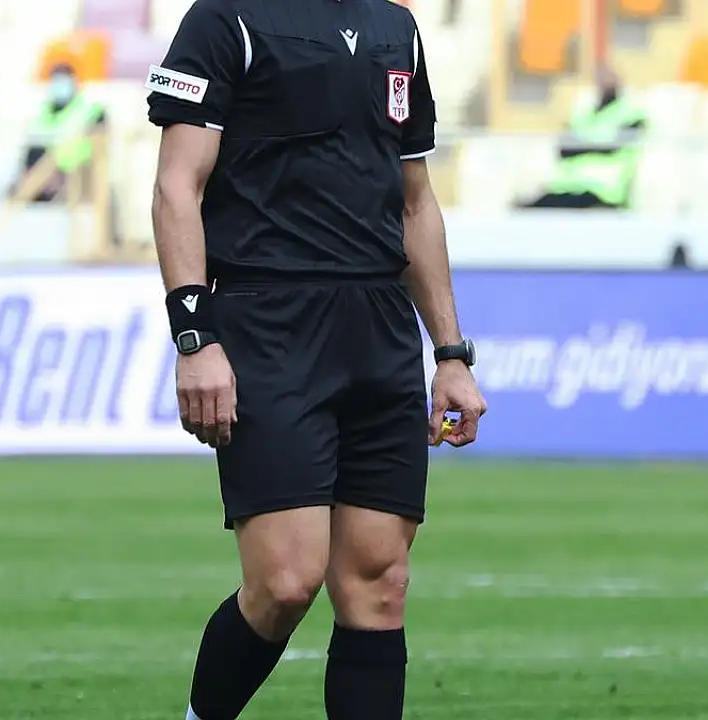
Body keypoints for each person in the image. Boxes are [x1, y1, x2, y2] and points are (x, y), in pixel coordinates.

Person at [146, 1, 487, 719]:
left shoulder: (397, 29)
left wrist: (451, 354)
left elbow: (415, 202)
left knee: (380, 585)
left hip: (380, 330)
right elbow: (178, 185)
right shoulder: (227, 19)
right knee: (285, 581)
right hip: (269, 322)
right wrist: (194, 337)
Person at [523, 66, 646, 209]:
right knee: (527, 210)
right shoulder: (584, 111)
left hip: (603, 190)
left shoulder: (631, 112)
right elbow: (564, 149)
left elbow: (613, 147)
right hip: (567, 187)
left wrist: (583, 146)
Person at [23, 64, 107, 202]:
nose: (60, 87)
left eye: (63, 81)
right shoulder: (45, 111)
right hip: (49, 175)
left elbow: (98, 140)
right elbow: (34, 144)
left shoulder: (89, 109)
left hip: (79, 173)